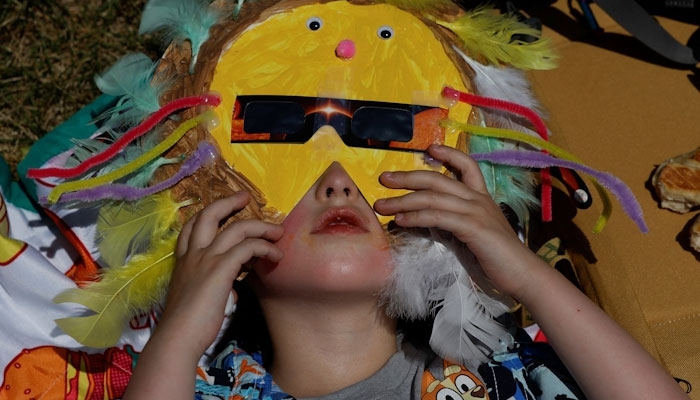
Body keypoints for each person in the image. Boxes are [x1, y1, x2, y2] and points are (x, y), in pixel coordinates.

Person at [122, 144, 688, 399]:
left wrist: (526, 277)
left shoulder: (502, 369)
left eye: (367, 176)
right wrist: (178, 334)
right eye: (296, 175)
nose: (339, 182)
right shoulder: (196, 389)